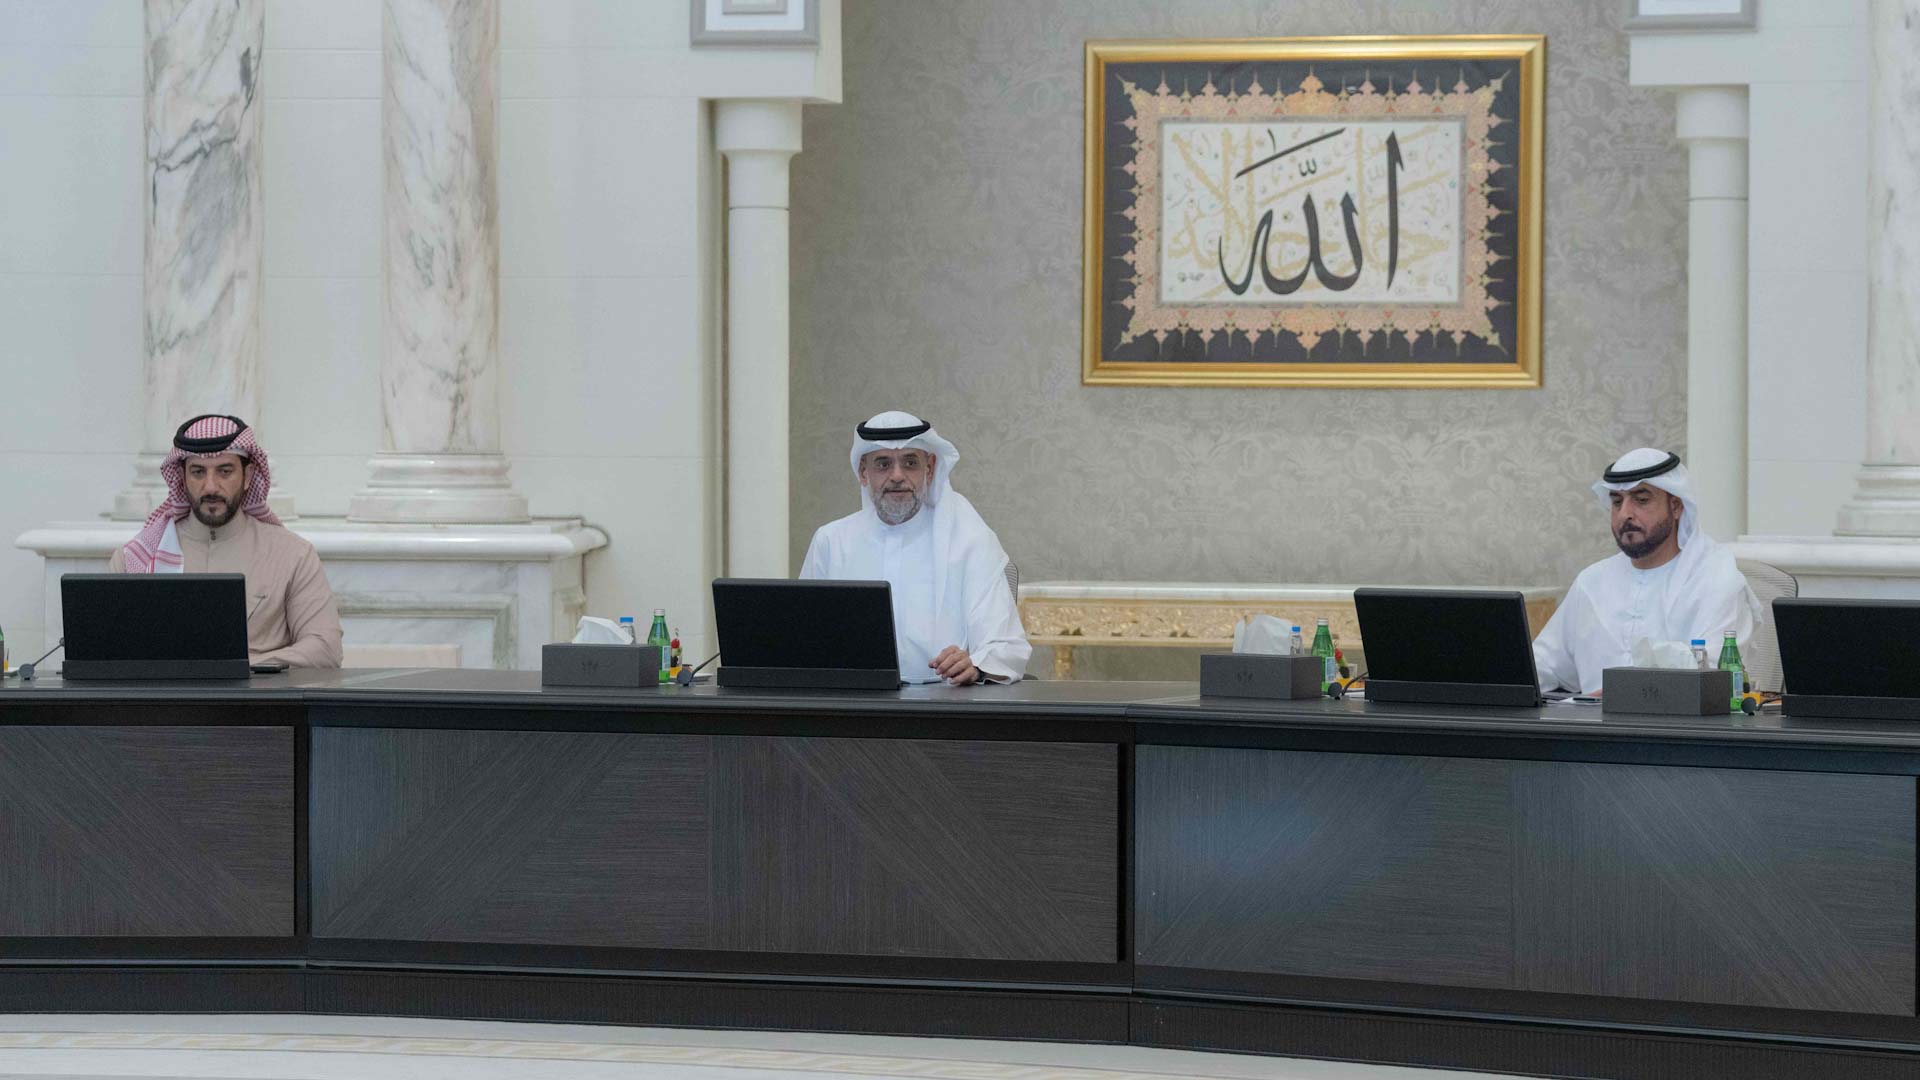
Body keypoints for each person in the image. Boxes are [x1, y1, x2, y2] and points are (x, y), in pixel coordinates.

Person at [800, 411, 1030, 685]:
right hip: (852, 698)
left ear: (929, 469)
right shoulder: (831, 541)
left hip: (944, 700)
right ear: (863, 472)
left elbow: (1006, 645)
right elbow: (803, 638)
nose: (897, 476)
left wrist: (976, 664)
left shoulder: (969, 540)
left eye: (910, 463)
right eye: (883, 464)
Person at [110, 414, 344, 669]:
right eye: (198, 472)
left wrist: (239, 669)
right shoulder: (135, 559)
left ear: (248, 476)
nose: (211, 486)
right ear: (182, 477)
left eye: (225, 471)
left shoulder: (293, 555)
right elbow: (110, 655)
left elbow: (325, 649)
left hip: (262, 694)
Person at [1531, 448, 1761, 694]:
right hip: (1590, 719)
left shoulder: (1715, 579)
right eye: (1617, 502)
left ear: (1676, 506)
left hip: (1678, 719)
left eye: (1641, 500)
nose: (1625, 514)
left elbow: (1714, 681)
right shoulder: (1591, 582)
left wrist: (1619, 696)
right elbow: (1544, 665)